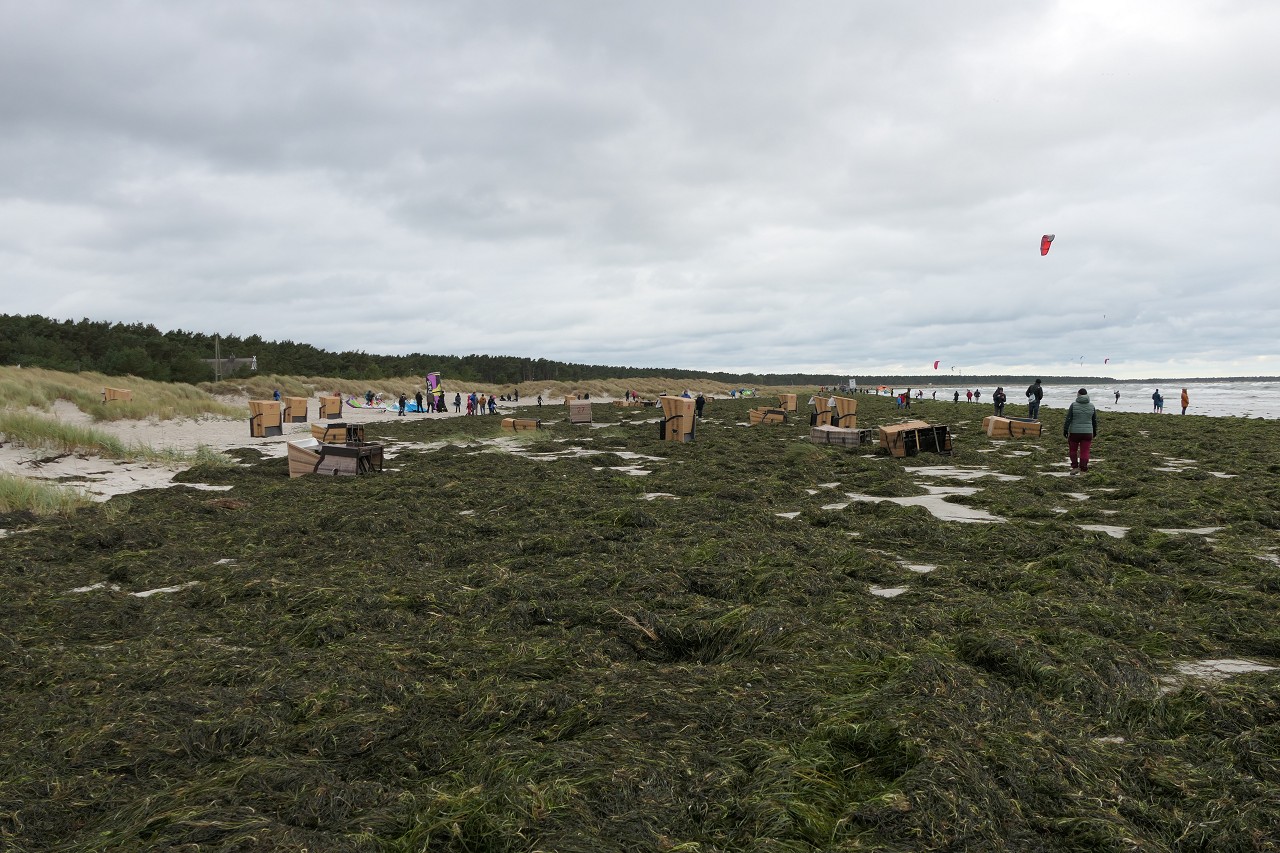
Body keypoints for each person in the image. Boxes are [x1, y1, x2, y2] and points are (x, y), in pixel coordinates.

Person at [1062, 388, 1098, 474]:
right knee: (1085, 451)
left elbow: (1068, 418)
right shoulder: (1092, 406)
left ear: (1078, 395)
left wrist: (1065, 430)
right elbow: (1094, 420)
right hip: (1088, 433)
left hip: (1074, 432)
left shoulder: (1073, 405)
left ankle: (1075, 467)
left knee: (1073, 450)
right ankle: (1083, 468)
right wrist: (1095, 431)